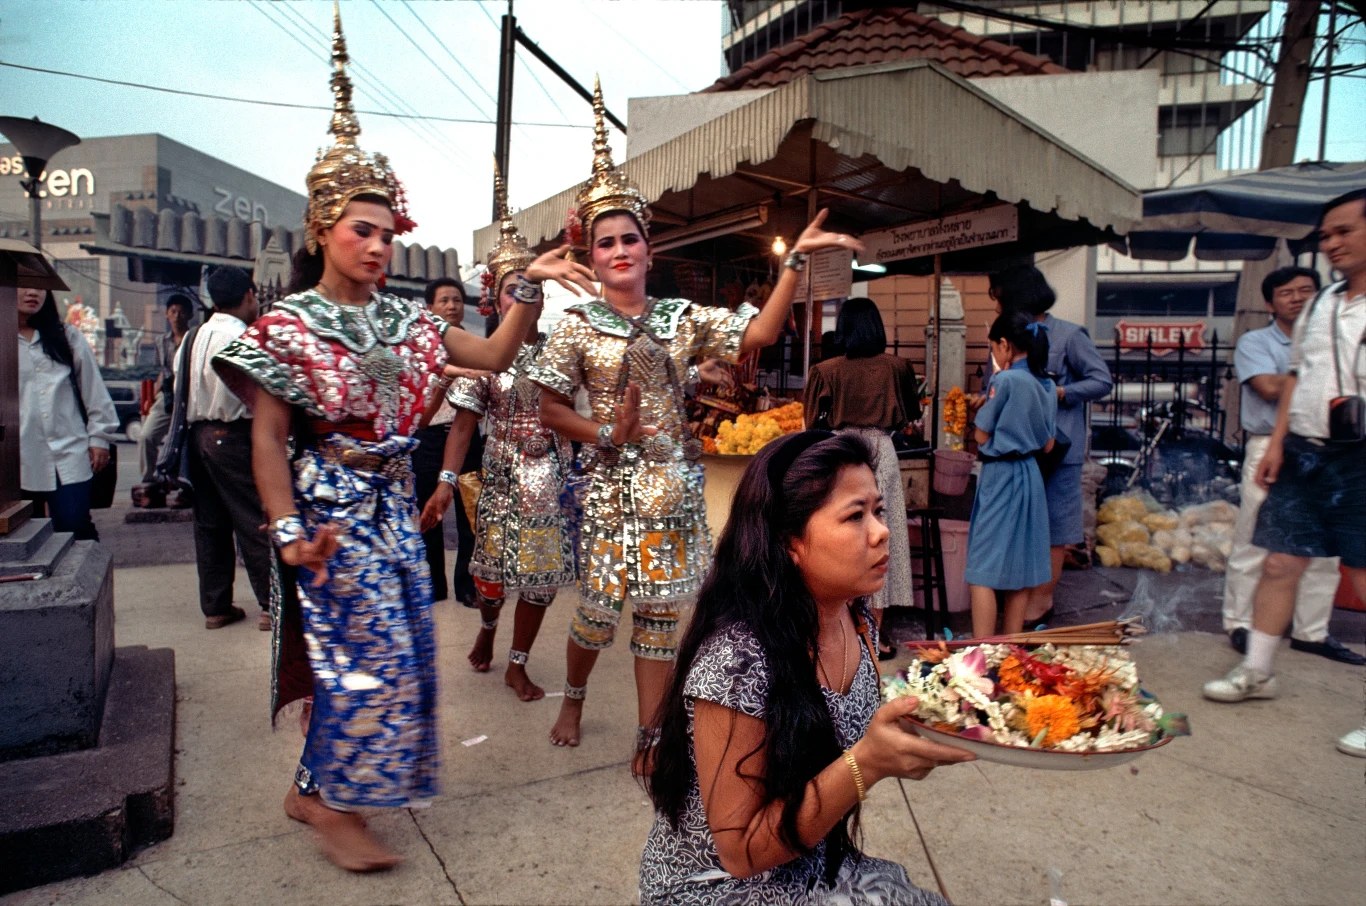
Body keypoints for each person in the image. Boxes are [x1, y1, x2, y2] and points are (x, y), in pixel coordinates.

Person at [210, 8, 573, 871]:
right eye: (360, 231)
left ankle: (312, 788)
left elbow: (489, 353)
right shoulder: (290, 325)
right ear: (321, 233)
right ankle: (334, 807)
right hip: (327, 510)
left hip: (395, 506)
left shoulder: (409, 322)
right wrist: (287, 528)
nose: (377, 246)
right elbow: (267, 439)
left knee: (397, 652)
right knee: (357, 656)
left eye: (386, 232)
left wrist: (526, 286)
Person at [528, 78, 865, 756]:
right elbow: (549, 408)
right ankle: (573, 698)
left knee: (658, 620)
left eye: (630, 238)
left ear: (649, 249)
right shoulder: (573, 327)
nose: (619, 250)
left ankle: (651, 734)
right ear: (591, 257)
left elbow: (759, 335)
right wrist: (603, 432)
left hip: (674, 486)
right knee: (596, 617)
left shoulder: (681, 320)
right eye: (605, 243)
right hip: (610, 490)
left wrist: (795, 267)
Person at [639, 431, 970, 905]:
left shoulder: (857, 622)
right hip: (716, 886)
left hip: (805, 860)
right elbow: (739, 851)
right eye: (855, 516)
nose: (881, 531)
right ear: (789, 542)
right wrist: (867, 764)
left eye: (878, 511)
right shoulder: (737, 661)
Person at [1203, 189, 1366, 762]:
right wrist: (1276, 446)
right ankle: (1258, 670)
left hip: (1361, 456)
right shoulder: (1322, 306)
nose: (1333, 244)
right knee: (1279, 562)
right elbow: (1295, 377)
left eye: (1344, 231)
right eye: (1326, 236)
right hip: (1303, 451)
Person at [436, 168, 575, 700]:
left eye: (528, 287)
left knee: (540, 582)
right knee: (491, 581)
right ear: (495, 299)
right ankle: (489, 628)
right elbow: (464, 424)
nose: (521, 295)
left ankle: (518, 663)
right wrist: (448, 480)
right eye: (509, 289)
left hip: (551, 478)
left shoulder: (563, 350)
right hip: (497, 477)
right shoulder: (486, 357)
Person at [1223, 266, 1361, 665]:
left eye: (1306, 290)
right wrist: (1323, 380)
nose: (1298, 298)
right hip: (1272, 444)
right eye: (1287, 293)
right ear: (1270, 303)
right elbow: (1267, 387)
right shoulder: (1255, 341)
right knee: (1255, 541)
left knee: (1325, 552)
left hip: (1333, 448)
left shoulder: (1336, 334)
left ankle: (1312, 632)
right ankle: (1240, 624)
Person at [987, 265, 1112, 624]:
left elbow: (1101, 380)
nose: (997, 310)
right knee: (1017, 525)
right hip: (1015, 452)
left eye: (1000, 301)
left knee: (1056, 527)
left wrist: (1061, 393)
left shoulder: (1070, 335)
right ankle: (1016, 598)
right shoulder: (1005, 336)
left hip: (1059, 451)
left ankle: (1042, 599)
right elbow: (993, 385)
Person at [803, 297, 919, 658]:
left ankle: (842, 636)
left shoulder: (826, 370)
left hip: (842, 455)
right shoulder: (898, 368)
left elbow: (810, 423)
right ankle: (875, 637)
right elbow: (910, 417)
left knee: (844, 538)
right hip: (882, 452)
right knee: (882, 540)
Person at [177, 266, 274, 631]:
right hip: (235, 435)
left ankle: (216, 607)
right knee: (254, 518)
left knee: (209, 522)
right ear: (250, 295)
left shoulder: (193, 338)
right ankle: (270, 605)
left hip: (198, 435)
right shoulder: (244, 338)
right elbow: (257, 394)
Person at [965, 311, 1057, 639]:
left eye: (994, 348)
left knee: (982, 570)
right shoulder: (1047, 383)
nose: (995, 357)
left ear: (1005, 345)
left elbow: (981, 437)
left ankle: (982, 651)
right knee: (1020, 570)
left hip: (1001, 474)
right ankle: (1010, 651)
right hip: (1031, 475)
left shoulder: (1003, 380)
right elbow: (1048, 445)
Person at [17, 288, 118, 540]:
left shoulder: (66, 336)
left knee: (75, 526)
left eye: (39, 286)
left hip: (69, 451)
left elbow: (93, 388)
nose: (33, 292)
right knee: (24, 538)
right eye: (23, 284)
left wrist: (100, 438)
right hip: (16, 457)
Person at [412, 277, 484, 603]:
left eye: (457, 300)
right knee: (429, 515)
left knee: (472, 513)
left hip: (468, 440)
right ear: (430, 308)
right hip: (427, 439)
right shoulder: (417, 351)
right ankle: (432, 586)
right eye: (444, 300)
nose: (453, 305)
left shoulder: (475, 346)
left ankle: (467, 587)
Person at [134, 294, 192, 505]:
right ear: (167, 314)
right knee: (146, 436)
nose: (177, 316)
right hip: (167, 397)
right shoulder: (161, 342)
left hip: (188, 397)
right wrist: (154, 396)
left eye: (181, 311)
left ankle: (184, 486)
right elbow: (163, 371)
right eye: (173, 311)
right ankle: (150, 481)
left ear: (189, 314)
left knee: (185, 442)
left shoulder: (193, 339)